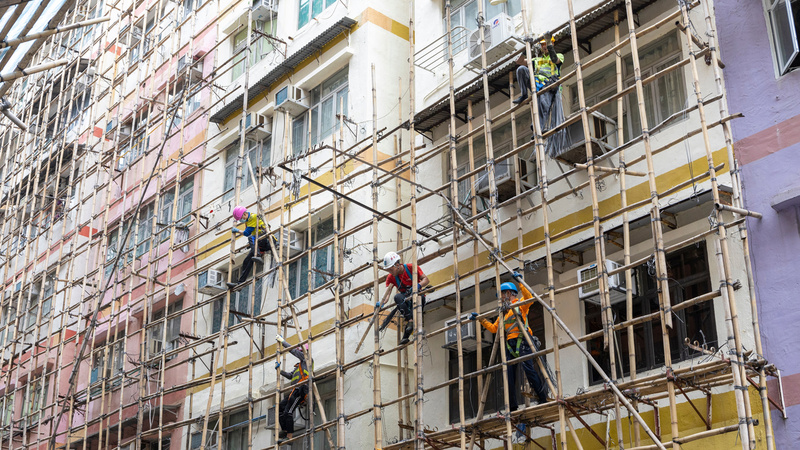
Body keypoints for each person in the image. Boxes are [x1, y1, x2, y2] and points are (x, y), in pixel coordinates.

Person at [470, 273, 549, 413]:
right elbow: (494, 329)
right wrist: (481, 320)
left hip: (523, 340)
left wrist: (520, 282)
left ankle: (542, 397)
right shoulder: (504, 314)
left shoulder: (520, 305)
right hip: (510, 345)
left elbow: (529, 298)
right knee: (508, 374)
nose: (500, 299)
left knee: (529, 369)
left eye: (501, 295)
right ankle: (512, 406)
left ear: (508, 293)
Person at [513, 33, 564, 131]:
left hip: (550, 85)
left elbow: (555, 59)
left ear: (552, 44)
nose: (544, 46)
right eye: (543, 44)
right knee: (521, 69)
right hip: (536, 84)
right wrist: (528, 47)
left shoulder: (559, 55)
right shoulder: (536, 60)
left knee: (543, 102)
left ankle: (539, 129)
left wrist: (549, 45)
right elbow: (519, 61)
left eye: (546, 44)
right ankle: (524, 95)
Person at [377, 251, 430, 345]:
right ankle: (410, 320)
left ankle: (408, 331)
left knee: (418, 298)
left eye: (391, 269)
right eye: (388, 270)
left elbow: (426, 280)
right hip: (405, 301)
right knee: (397, 297)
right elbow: (387, 294)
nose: (390, 272)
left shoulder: (411, 268)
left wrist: (418, 286)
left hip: (417, 297)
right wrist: (381, 303)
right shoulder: (391, 277)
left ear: (397, 264)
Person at [275, 334, 312, 442]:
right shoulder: (299, 365)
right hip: (295, 390)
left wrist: (283, 342)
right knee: (280, 407)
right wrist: (279, 370)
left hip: (301, 389)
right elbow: (290, 375)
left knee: (288, 411)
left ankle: (289, 436)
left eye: (301, 351)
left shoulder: (308, 359)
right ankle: (285, 430)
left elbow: (293, 351)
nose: (300, 353)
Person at [228, 205, 275, 288]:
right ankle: (240, 283)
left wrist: (237, 230)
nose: (241, 220)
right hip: (259, 243)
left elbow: (247, 233)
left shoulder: (253, 217)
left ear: (245, 214)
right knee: (247, 261)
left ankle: (257, 255)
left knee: (250, 238)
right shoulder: (248, 219)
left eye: (241, 218)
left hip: (265, 238)